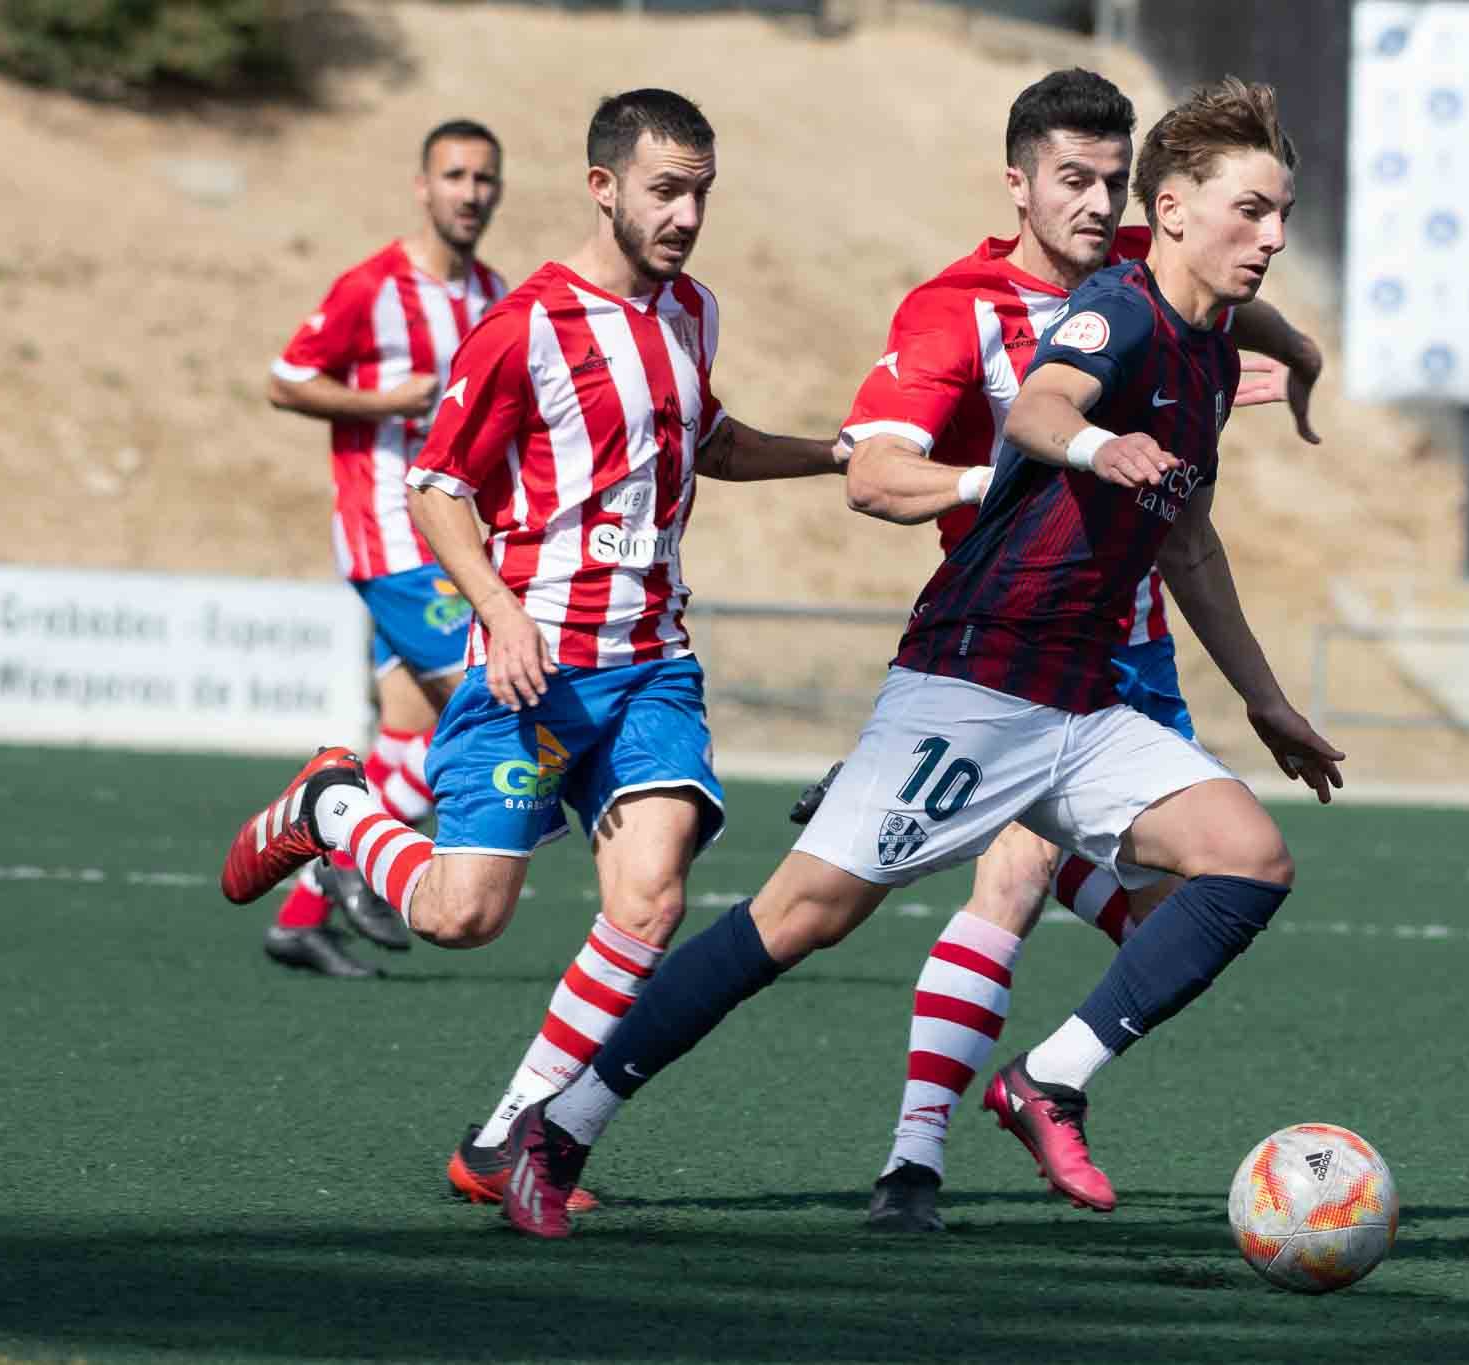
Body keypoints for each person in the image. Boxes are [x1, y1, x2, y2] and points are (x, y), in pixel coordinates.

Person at [496, 76, 1345, 1241]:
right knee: (800, 918)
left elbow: (1189, 542)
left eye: (1283, 213)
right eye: (1252, 211)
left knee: (1246, 860)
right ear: (1180, 212)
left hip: (1083, 700)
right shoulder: (1121, 311)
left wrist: (1267, 704)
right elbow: (1040, 408)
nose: (1275, 236)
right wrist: (1098, 445)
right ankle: (556, 1124)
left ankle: (1044, 1080)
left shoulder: (1199, 346)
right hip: (973, 682)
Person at [219, 89, 844, 1205]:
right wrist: (501, 616)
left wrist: (839, 458)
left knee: (648, 902)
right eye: (664, 190)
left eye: (700, 191)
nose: (687, 214)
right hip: (533, 664)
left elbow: (711, 440)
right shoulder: (523, 326)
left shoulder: (694, 309)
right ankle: (333, 809)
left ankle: (508, 1137)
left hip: (651, 662)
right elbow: (436, 486)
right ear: (601, 188)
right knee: (464, 918)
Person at [823, 67, 1324, 1232]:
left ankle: (1048, 1075)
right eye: (1073, 181)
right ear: (1018, 185)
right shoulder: (958, 306)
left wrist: (1296, 352)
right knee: (1010, 874)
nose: (1100, 205)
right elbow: (868, 476)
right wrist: (1031, 469)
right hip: (1017, 647)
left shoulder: (1157, 263)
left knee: (1176, 920)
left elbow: (1232, 294)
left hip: (1136, 654)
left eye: (1113, 180)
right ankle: (917, 1159)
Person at [262, 118, 509, 977]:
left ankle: (302, 916)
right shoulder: (372, 287)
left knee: (410, 728)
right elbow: (285, 380)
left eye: (484, 178)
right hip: (391, 539)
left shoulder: (495, 295)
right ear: (422, 185)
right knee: (493, 706)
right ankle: (346, 857)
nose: (470, 192)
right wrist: (388, 401)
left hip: (451, 541)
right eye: (454, 176)